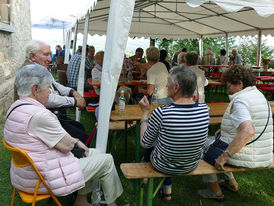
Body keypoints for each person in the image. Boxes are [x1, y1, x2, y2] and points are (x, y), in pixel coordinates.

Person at [5, 64, 123, 206]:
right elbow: (67, 146)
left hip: (27, 174)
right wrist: (77, 143)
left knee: (94, 153)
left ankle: (81, 202)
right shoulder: (39, 115)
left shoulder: (15, 108)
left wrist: (78, 142)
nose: (50, 92)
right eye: (48, 87)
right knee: (107, 160)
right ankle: (113, 205)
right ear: (35, 89)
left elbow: (62, 142)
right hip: (43, 178)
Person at [198, 65, 273, 201]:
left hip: (247, 156)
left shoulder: (240, 101)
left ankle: (214, 190)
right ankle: (231, 183)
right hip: (263, 153)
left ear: (239, 83)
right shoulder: (258, 95)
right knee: (213, 142)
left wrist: (224, 157)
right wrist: (225, 130)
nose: (229, 90)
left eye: (229, 86)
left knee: (199, 146)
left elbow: (248, 131)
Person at [139, 65, 209, 202]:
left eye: (168, 83)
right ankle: (167, 191)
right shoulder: (205, 110)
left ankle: (148, 179)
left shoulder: (162, 112)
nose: (166, 86)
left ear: (176, 87)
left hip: (164, 165)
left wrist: (145, 114)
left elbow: (144, 142)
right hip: (191, 164)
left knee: (155, 145)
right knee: (166, 143)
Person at [18, 40, 89, 144]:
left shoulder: (38, 68)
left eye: (50, 54)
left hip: (48, 116)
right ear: (32, 56)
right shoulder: (29, 71)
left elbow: (55, 85)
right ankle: (81, 157)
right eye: (46, 55)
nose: (50, 59)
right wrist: (74, 101)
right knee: (82, 137)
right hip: (41, 122)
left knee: (79, 127)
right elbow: (47, 99)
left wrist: (73, 92)